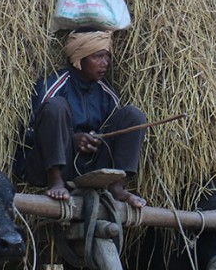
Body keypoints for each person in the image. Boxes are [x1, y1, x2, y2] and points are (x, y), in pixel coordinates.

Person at [17, 29, 147, 209]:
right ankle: (56, 182)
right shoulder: (53, 85)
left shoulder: (107, 93)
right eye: (98, 57)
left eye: (107, 57)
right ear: (79, 59)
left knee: (133, 115)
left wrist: (96, 139)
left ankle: (117, 187)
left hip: (91, 166)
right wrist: (72, 139)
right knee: (56, 106)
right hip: (52, 167)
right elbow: (31, 135)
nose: (105, 63)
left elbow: (113, 136)